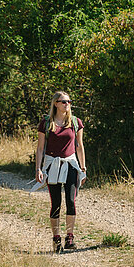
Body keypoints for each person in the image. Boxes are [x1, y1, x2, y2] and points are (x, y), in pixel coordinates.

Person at [35, 91, 86, 253]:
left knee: (71, 200)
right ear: (55, 103)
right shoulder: (46, 123)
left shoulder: (75, 122)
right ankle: (56, 239)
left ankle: (69, 237)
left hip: (70, 163)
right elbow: (40, 148)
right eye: (63, 101)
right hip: (52, 164)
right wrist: (38, 168)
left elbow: (79, 145)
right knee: (55, 202)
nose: (67, 104)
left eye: (69, 102)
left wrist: (83, 168)